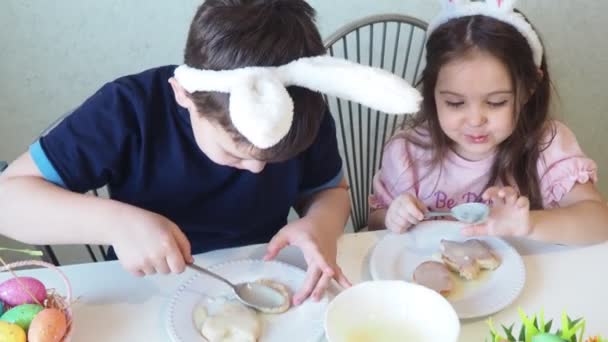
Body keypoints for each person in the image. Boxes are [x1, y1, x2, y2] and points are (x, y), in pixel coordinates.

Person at [0, 0, 420, 304]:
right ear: (184, 96)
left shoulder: (303, 107)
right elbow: (9, 199)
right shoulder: (129, 109)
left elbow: (329, 190)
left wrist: (321, 225)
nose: (256, 169)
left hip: (259, 277)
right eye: (235, 153)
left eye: (272, 157)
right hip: (143, 289)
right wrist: (116, 223)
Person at [368, 0, 608, 245]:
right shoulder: (408, 153)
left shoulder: (547, 145)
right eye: (454, 102)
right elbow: (374, 222)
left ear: (529, 89)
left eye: (496, 102)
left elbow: (599, 222)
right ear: (433, 92)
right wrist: (393, 216)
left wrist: (530, 224)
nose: (475, 120)